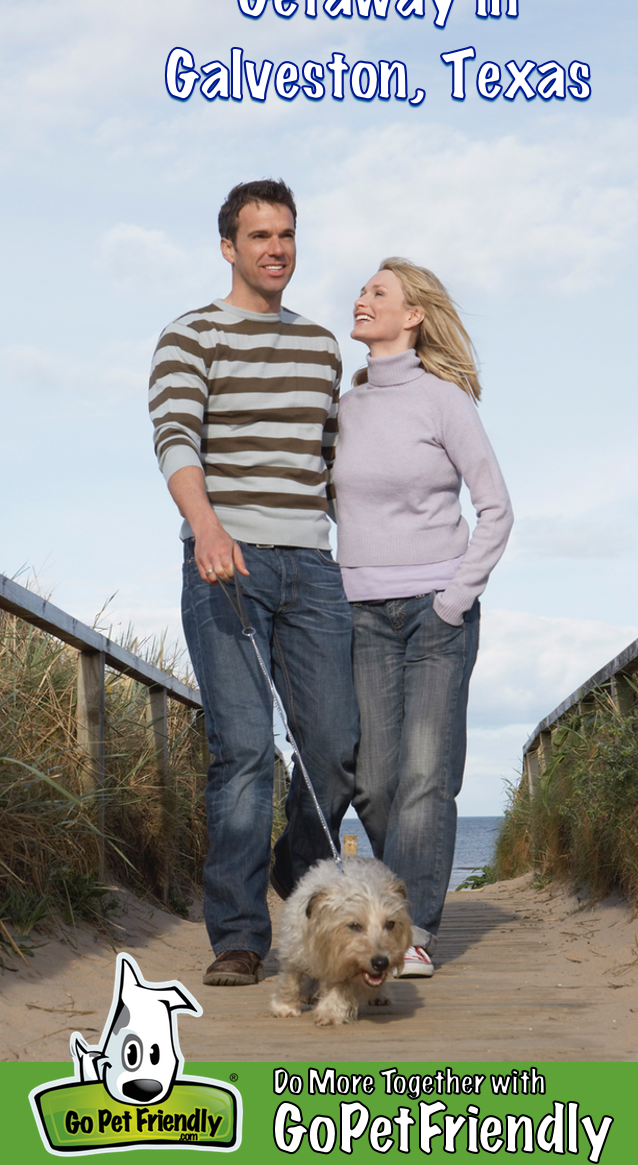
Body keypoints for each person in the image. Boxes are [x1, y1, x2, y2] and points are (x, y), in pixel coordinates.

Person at [148, 180, 359, 985]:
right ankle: (238, 934)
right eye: (259, 234)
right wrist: (206, 526)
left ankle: (293, 863)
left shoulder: (321, 347)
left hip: (312, 567)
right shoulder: (190, 334)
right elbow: (175, 437)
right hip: (225, 559)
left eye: (288, 234)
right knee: (242, 750)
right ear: (228, 246)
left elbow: (333, 468)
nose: (276, 248)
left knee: (335, 748)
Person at [333, 257, 513, 977]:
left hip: (439, 610)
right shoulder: (343, 405)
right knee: (376, 780)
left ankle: (411, 934)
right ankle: (396, 907)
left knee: (428, 775)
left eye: (379, 291)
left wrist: (454, 598)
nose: (362, 298)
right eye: (362, 289)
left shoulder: (445, 402)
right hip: (362, 614)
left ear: (414, 316)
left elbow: (496, 508)